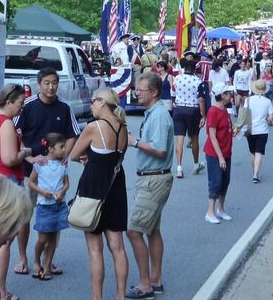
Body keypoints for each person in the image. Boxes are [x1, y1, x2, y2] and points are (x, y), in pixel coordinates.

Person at [12, 67, 80, 276]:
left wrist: (65, 155)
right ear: (39, 84)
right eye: (47, 83)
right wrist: (28, 157)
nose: (51, 87)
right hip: (29, 171)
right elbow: (15, 133)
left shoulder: (64, 107)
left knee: (54, 217)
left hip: (55, 175)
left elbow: (73, 134)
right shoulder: (28, 106)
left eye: (54, 83)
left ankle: (48, 261)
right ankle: (23, 258)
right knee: (25, 215)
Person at [70, 88, 129, 300]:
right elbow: (116, 157)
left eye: (93, 101)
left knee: (95, 249)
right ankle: (120, 295)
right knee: (118, 247)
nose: (91, 105)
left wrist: (88, 158)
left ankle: (97, 298)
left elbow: (74, 154)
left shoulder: (94, 127)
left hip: (94, 186)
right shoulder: (122, 127)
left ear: (102, 102)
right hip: (116, 185)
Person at [0, 84, 36, 300]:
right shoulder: (6, 123)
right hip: (7, 181)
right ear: (9, 102)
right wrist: (25, 151)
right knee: (3, 240)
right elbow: (9, 159)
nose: (22, 107)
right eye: (20, 103)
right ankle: (1, 292)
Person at [125, 73, 175, 299]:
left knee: (134, 230)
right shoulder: (154, 113)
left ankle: (145, 285)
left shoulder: (159, 116)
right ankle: (156, 280)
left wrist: (134, 142)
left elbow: (160, 149)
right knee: (152, 230)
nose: (137, 92)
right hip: (151, 177)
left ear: (154, 92)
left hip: (154, 179)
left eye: (141, 89)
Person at [26, 133, 70, 281]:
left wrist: (62, 192)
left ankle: (47, 265)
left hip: (58, 205)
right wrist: (42, 192)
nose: (64, 150)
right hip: (44, 206)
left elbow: (66, 183)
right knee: (42, 238)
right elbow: (30, 182)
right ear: (51, 149)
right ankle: (36, 260)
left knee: (53, 238)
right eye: (61, 147)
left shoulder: (63, 164)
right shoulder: (40, 164)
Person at [204, 83, 236, 224]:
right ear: (222, 95)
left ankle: (221, 209)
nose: (231, 95)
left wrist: (235, 130)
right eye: (228, 93)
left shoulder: (225, 110)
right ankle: (210, 212)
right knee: (215, 181)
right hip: (215, 153)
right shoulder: (213, 111)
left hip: (226, 150)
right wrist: (221, 157)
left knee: (225, 181)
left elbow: (228, 128)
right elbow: (212, 136)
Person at [172, 59, 205, 178]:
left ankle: (179, 167)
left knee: (179, 139)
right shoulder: (198, 81)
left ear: (184, 68)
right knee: (194, 137)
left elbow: (173, 93)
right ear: (194, 69)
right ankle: (195, 164)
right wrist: (203, 115)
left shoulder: (177, 79)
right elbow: (201, 99)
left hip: (179, 108)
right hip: (193, 110)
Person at [246, 79, 273, 183]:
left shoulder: (248, 100)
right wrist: (267, 119)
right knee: (259, 152)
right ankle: (256, 175)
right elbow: (271, 117)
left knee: (252, 152)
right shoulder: (267, 101)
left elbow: (245, 114)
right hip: (262, 129)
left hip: (250, 129)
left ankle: (254, 171)